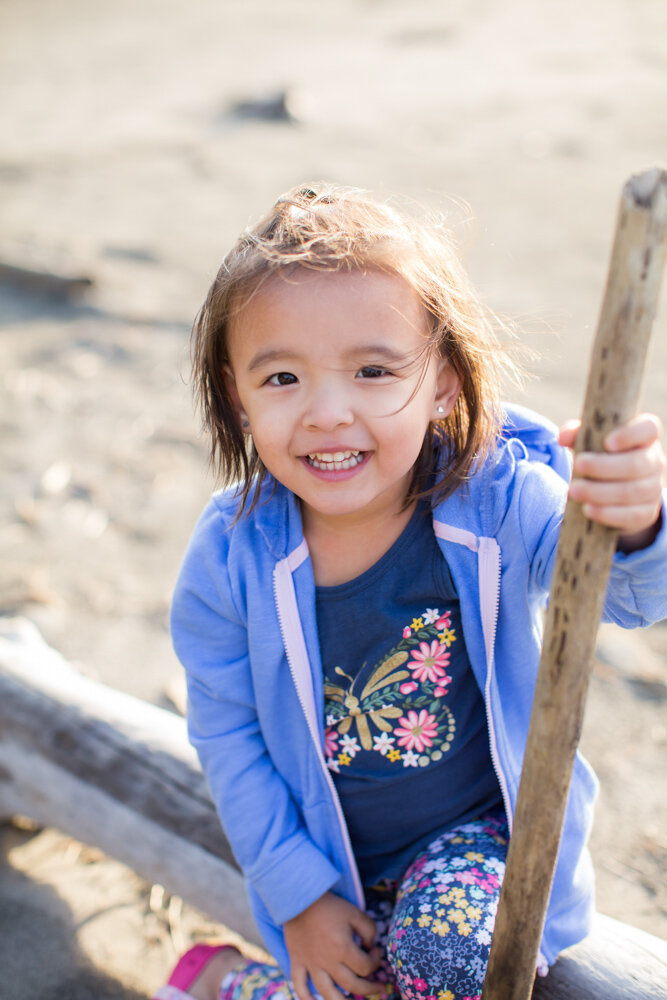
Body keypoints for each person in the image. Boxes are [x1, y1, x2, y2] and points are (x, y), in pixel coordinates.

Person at [156, 183, 667, 1000]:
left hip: (473, 843)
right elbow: (226, 732)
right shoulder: (231, 553)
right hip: (332, 860)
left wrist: (635, 521)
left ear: (444, 384)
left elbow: (630, 597)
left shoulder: (496, 500)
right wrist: (300, 895)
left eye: (372, 370)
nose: (327, 413)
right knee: (349, 985)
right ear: (235, 397)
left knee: (450, 960)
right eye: (282, 377)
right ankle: (229, 980)